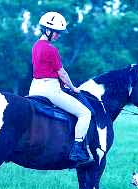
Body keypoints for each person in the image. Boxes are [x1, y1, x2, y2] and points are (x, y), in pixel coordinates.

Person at [29, 12, 91, 163]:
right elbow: (62, 73)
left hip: (34, 88)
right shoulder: (51, 49)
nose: (58, 35)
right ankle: (77, 150)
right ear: (47, 30)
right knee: (85, 113)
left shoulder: (35, 46)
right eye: (57, 32)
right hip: (50, 90)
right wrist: (74, 88)